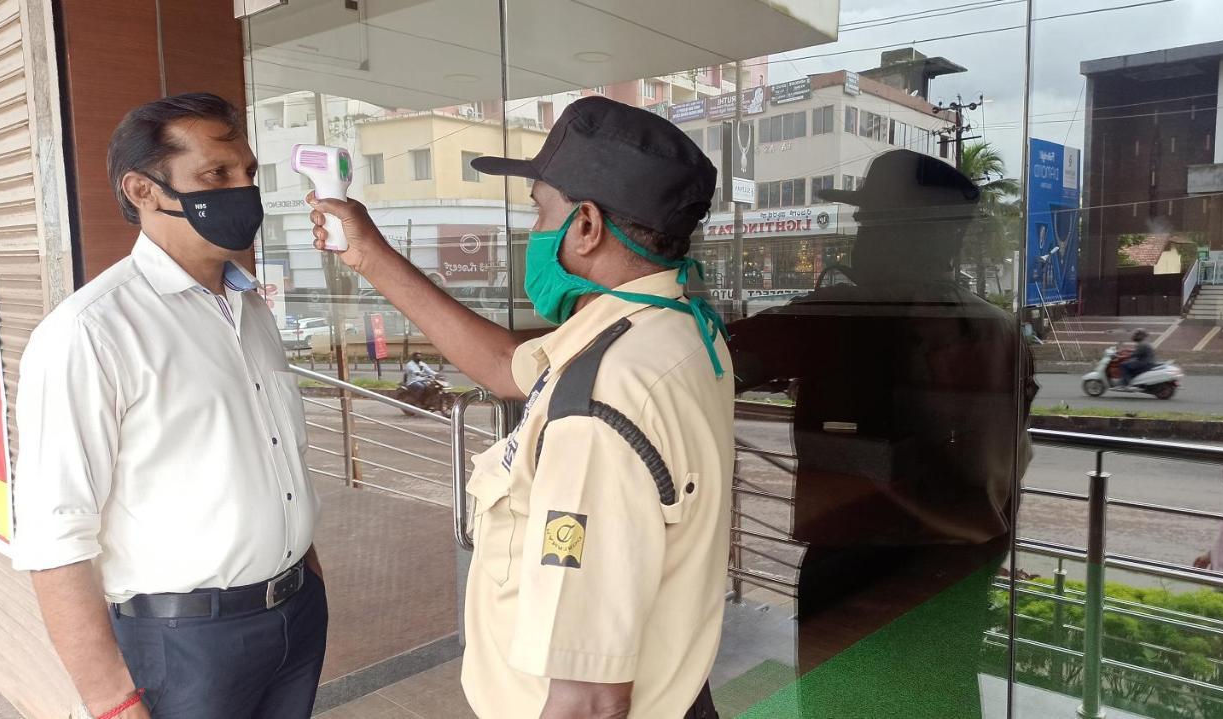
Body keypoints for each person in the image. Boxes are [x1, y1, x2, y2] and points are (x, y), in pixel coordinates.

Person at [307, 96, 733, 719]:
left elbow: (589, 699)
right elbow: (509, 367)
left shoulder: (599, 399)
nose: (533, 233)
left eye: (540, 212)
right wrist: (368, 254)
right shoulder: (674, 328)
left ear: (585, 226)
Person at [12, 93, 326, 719]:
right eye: (217, 175)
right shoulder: (91, 332)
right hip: (183, 644)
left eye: (248, 174)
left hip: (295, 617)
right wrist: (111, 701)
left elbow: (275, 457)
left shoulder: (250, 307)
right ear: (143, 190)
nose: (243, 191)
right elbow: (55, 533)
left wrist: (306, 574)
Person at [730, 149, 1038, 611]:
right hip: (964, 560)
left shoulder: (841, 316)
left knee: (835, 684)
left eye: (870, 222)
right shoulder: (1002, 329)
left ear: (900, 234)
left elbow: (711, 359)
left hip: (859, 560)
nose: (862, 237)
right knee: (946, 683)